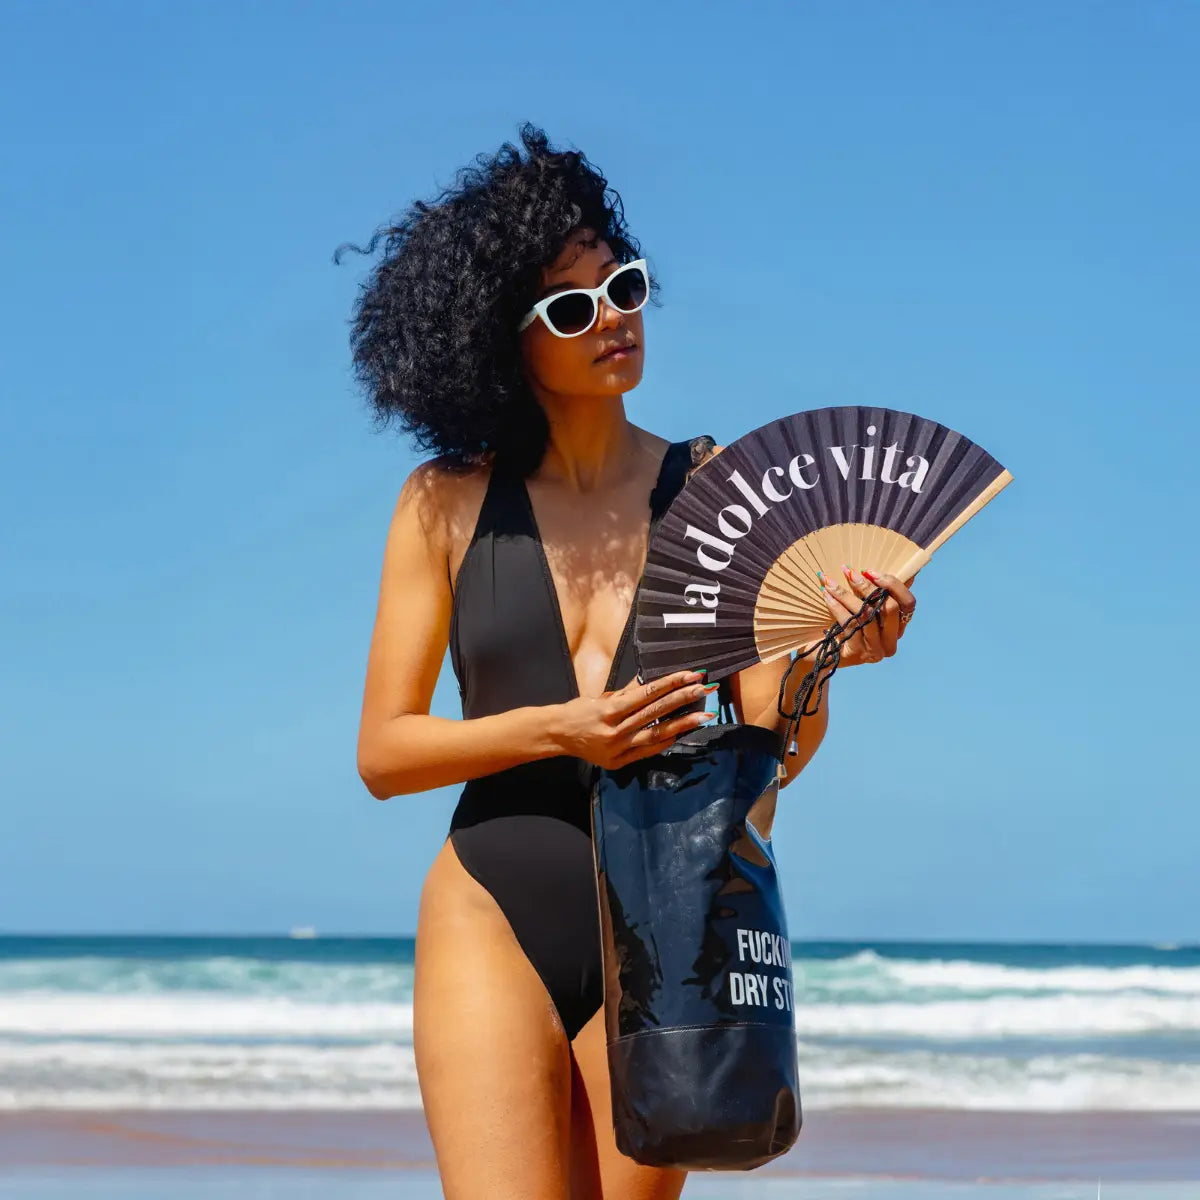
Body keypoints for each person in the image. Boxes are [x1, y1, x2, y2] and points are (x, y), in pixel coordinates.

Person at [347, 125, 917, 1200]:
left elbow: (771, 750)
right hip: (492, 903)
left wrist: (831, 662)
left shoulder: (716, 487)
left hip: (670, 915)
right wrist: (564, 731)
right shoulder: (443, 503)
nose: (613, 317)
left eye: (624, 284)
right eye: (570, 307)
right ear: (498, 340)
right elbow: (386, 751)